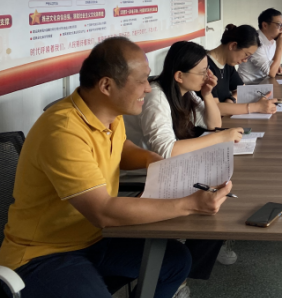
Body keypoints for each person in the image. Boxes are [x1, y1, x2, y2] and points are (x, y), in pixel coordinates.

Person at [0, 37, 232, 298]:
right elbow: (103, 211)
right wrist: (190, 204)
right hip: (43, 254)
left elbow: (121, 149)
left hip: (94, 238)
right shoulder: (63, 130)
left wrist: (150, 159)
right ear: (106, 86)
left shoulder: (110, 114)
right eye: (141, 81)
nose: (148, 88)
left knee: (174, 261)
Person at [123, 41, 245, 275]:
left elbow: (213, 125)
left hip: (165, 167)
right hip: (141, 174)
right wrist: (221, 137)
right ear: (179, 75)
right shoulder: (156, 96)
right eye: (202, 72)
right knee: (213, 194)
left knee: (222, 183)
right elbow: (166, 152)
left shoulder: (186, 92)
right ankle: (181, 271)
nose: (208, 76)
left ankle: (188, 264)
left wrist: (207, 94)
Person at [206, 23, 276, 116]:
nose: (245, 60)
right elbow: (215, 108)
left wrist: (230, 101)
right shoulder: (205, 66)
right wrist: (257, 107)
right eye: (246, 55)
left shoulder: (227, 63)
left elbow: (241, 91)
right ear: (233, 46)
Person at [237, 8, 282, 84]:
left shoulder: (272, 40)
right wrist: (280, 47)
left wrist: (277, 66)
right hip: (249, 86)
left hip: (263, 83)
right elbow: (271, 73)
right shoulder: (255, 41)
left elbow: (271, 66)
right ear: (265, 25)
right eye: (278, 25)